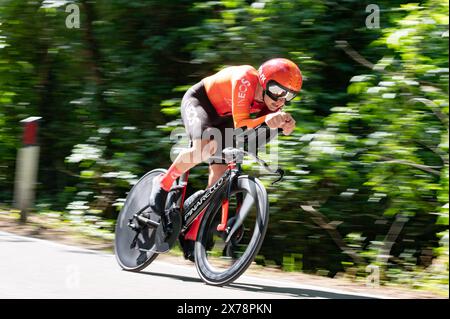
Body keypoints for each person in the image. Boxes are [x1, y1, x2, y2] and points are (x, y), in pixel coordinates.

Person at [149, 58, 303, 259]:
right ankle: (163, 181)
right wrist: (267, 119)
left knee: (220, 176)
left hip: (226, 119)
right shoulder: (245, 78)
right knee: (204, 148)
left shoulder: (273, 103)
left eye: (289, 95)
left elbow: (255, 130)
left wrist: (284, 125)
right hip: (201, 102)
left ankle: (194, 233)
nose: (281, 100)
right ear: (264, 81)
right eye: (277, 91)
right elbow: (242, 123)